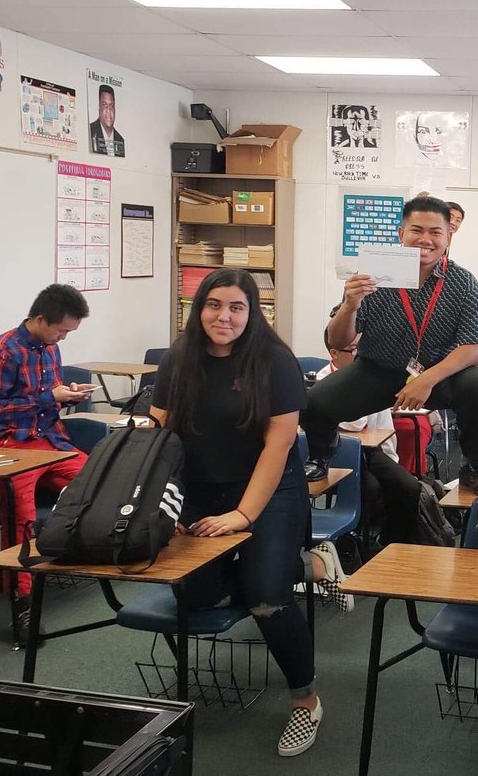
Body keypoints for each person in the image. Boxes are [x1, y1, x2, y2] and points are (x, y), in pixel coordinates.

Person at [149, 268, 342, 757]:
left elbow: (278, 448)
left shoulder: (273, 362)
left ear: (252, 312)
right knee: (195, 594)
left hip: (269, 489)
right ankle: (311, 565)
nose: (224, 316)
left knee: (265, 596)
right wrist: (163, 503)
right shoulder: (178, 360)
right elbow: (160, 441)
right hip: (199, 489)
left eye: (237, 307)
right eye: (215, 305)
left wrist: (243, 516)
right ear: (200, 308)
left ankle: (306, 700)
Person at [302, 196, 478, 488]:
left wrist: (427, 379)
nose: (425, 240)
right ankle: (320, 458)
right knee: (315, 401)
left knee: (477, 385)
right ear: (401, 233)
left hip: (437, 374)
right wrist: (350, 305)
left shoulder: (462, 282)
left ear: (448, 236)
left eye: (435, 232)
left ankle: (474, 464)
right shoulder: (370, 276)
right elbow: (338, 340)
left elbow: (476, 346)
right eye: (416, 230)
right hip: (377, 370)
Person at [0, 284, 93, 642]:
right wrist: (46, 397)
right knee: (21, 515)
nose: (63, 338)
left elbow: (46, 401)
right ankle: (21, 603)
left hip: (49, 441)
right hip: (9, 444)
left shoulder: (49, 349)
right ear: (40, 319)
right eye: (61, 330)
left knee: (97, 480)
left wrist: (65, 397)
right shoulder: (2, 350)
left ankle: (4, 569)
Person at [315, 332, 420, 546]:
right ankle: (354, 546)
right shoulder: (323, 381)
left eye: (360, 348)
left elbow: (383, 428)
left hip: (371, 452)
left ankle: (391, 543)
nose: (358, 354)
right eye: (352, 350)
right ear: (334, 354)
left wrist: (393, 461)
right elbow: (355, 424)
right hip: (337, 453)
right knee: (370, 490)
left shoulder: (372, 380)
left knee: (409, 486)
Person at [88, 83, 125, 157]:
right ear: (99, 107)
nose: (108, 110)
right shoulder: (90, 131)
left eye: (111, 106)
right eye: (104, 105)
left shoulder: (120, 139)